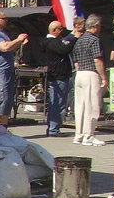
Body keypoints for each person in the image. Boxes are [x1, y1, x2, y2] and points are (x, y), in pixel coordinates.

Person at [0, 10, 27, 128]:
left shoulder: (4, 33)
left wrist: (20, 42)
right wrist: (18, 39)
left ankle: (4, 126)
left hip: (7, 69)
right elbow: (4, 47)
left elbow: (11, 47)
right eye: (5, 18)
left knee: (7, 99)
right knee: (1, 97)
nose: (7, 20)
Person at [71, 14, 106, 146]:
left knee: (80, 106)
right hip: (91, 73)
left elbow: (76, 62)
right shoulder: (94, 40)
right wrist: (103, 77)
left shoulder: (79, 40)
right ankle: (89, 135)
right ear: (96, 26)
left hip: (79, 74)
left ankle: (78, 134)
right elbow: (97, 59)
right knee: (92, 106)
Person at [40, 20, 73, 137]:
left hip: (57, 74)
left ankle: (52, 127)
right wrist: (73, 37)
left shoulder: (52, 41)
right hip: (59, 75)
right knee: (58, 103)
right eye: (60, 29)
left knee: (55, 102)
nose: (62, 31)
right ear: (54, 31)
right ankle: (54, 128)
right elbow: (63, 49)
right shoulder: (51, 42)